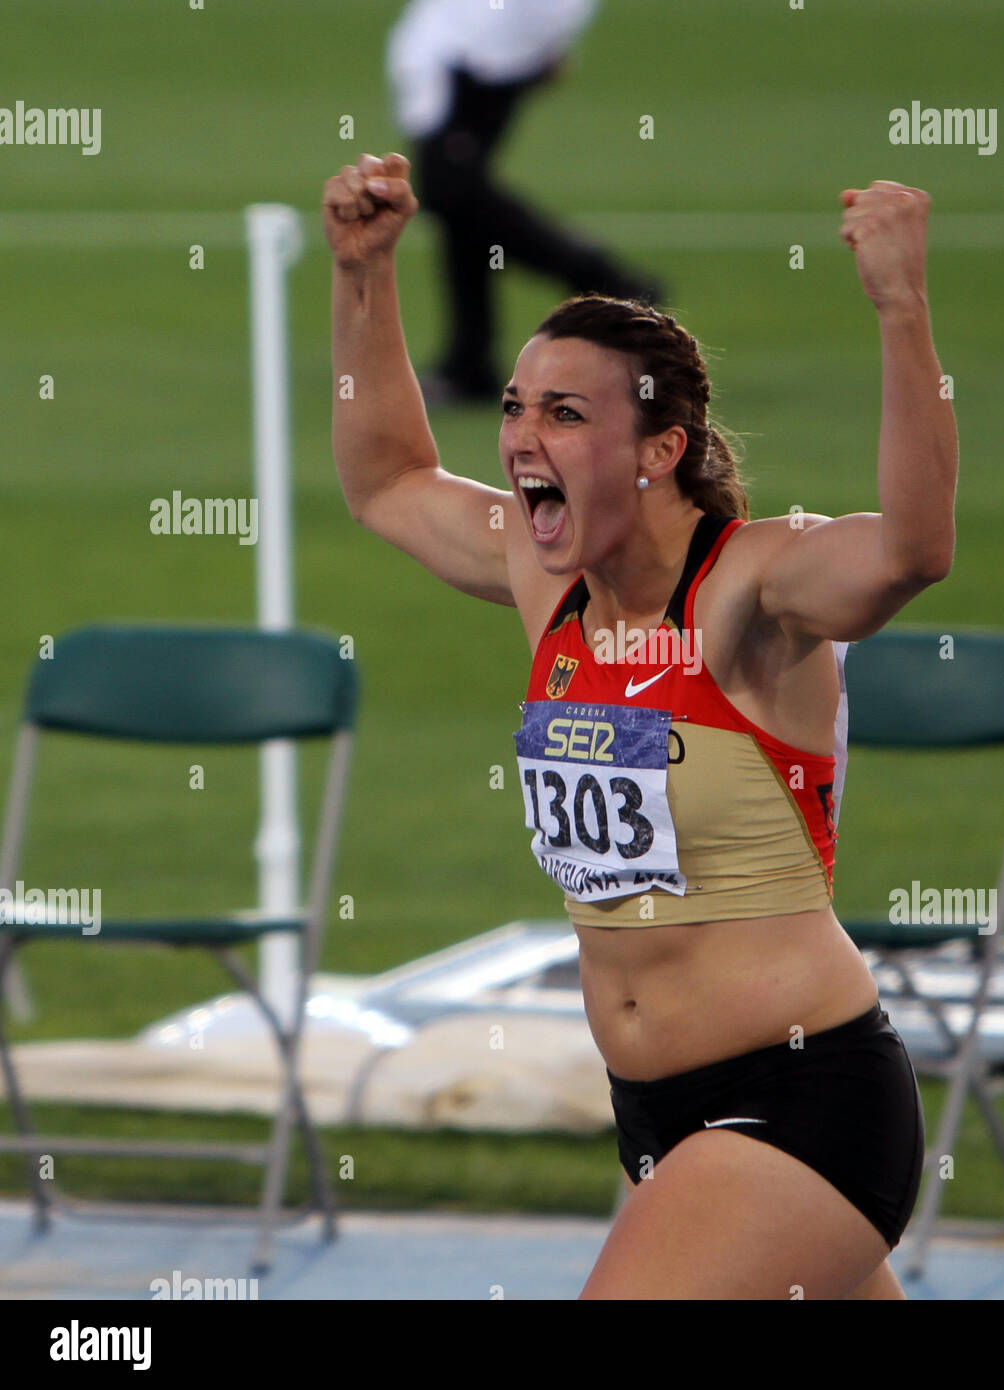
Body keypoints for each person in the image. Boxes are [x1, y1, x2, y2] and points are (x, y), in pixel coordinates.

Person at [324, 151, 957, 1299]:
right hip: (657, 1113)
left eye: (564, 414)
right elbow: (385, 481)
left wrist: (899, 310)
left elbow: (912, 550)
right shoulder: (544, 579)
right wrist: (363, 276)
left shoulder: (752, 591)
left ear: (660, 449)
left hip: (799, 1100)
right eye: (515, 407)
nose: (520, 437)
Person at [386, 0, 664, 407]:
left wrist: (545, 40)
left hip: (477, 57)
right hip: (471, 50)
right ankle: (470, 362)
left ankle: (606, 281)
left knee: (453, 191)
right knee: (460, 204)